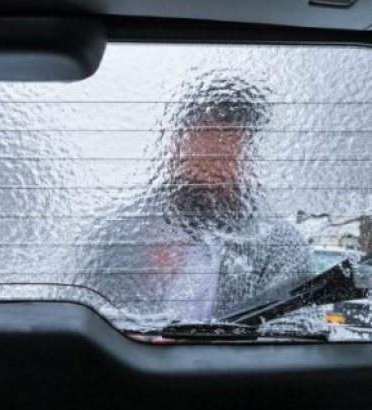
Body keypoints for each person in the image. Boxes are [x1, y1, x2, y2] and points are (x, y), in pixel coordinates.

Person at [94, 75, 314, 329]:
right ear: (173, 151)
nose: (213, 176)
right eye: (203, 161)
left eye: (228, 162)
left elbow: (300, 330)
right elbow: (81, 313)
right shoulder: (119, 234)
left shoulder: (279, 246)